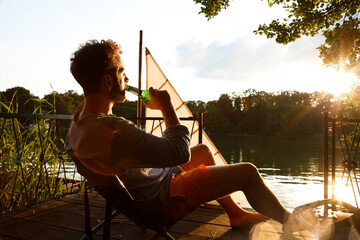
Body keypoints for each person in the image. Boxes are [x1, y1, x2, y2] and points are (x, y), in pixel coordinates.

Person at [66, 39, 299, 233]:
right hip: (161, 199)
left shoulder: (79, 120)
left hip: (148, 188)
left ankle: (235, 214)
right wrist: (166, 107)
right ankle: (294, 223)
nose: (127, 80)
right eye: (121, 72)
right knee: (248, 172)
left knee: (204, 152)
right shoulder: (113, 130)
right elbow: (178, 152)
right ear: (107, 81)